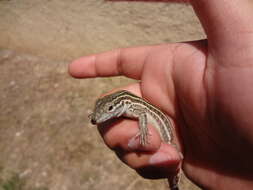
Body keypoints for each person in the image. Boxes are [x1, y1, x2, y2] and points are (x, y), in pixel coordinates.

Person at [68, 0, 253, 189]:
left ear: (121, 104)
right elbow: (108, 107)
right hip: (190, 152)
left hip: (168, 135)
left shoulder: (133, 107)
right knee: (168, 160)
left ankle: (175, 180)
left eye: (109, 109)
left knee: (170, 156)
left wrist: (142, 130)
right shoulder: (124, 105)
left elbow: (141, 115)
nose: (106, 112)